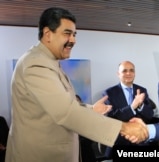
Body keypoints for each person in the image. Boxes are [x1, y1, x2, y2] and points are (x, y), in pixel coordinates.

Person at [5, 7, 148, 162]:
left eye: (74, 34)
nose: (73, 40)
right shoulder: (36, 64)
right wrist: (124, 127)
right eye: (67, 33)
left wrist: (92, 109)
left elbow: (64, 104)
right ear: (48, 34)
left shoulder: (49, 62)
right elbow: (66, 112)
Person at [102, 61, 155, 158]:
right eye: (124, 71)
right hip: (119, 144)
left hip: (141, 143)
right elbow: (112, 118)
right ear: (118, 74)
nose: (128, 73)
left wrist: (141, 106)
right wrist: (132, 106)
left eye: (131, 70)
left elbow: (150, 115)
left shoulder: (142, 90)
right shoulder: (109, 93)